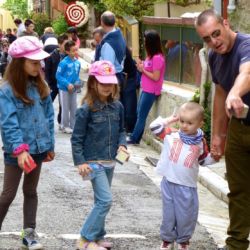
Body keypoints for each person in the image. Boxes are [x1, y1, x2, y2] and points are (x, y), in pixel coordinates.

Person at [195, 9, 250, 250]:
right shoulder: (213, 55)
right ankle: (236, 244)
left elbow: (247, 71)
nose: (214, 41)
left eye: (216, 33)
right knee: (238, 189)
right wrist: (217, 134)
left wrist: (237, 92)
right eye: (207, 38)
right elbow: (220, 93)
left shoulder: (246, 45)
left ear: (225, 23)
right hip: (239, 126)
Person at [0, 36, 55, 249]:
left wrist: (49, 145)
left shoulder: (41, 85)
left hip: (38, 150)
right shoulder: (6, 91)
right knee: (8, 194)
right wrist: (20, 150)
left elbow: (49, 116)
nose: (38, 65)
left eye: (39, 61)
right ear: (19, 63)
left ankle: (29, 234)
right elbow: (8, 123)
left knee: (31, 192)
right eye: (33, 62)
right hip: (18, 153)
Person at [71, 60, 128, 250]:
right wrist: (80, 162)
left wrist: (122, 145)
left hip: (111, 160)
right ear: (93, 83)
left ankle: (97, 235)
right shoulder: (85, 109)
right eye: (103, 82)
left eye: (110, 83)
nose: (107, 87)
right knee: (105, 200)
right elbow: (76, 138)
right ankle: (85, 239)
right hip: (93, 162)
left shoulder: (118, 106)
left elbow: (121, 130)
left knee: (100, 200)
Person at [150, 102, 216, 250]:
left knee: (186, 216)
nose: (184, 126)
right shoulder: (172, 134)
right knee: (169, 215)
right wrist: (171, 119)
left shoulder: (201, 142)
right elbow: (154, 127)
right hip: (169, 183)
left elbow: (203, 160)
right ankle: (167, 240)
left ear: (200, 124)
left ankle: (183, 241)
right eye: (182, 121)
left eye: (190, 123)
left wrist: (216, 156)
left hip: (187, 186)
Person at [127, 29, 165, 144]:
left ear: (151, 42)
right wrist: (141, 65)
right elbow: (148, 68)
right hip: (146, 89)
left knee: (141, 116)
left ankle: (134, 138)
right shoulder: (150, 56)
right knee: (139, 113)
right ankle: (136, 136)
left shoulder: (158, 58)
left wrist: (143, 70)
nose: (143, 41)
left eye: (145, 39)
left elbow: (156, 77)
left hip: (151, 91)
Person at [56, 40, 81, 134]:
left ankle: (73, 125)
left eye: (76, 50)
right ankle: (64, 125)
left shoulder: (77, 62)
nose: (75, 52)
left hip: (74, 88)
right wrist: (67, 84)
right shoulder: (63, 63)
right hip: (64, 89)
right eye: (73, 50)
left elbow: (77, 75)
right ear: (67, 52)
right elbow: (58, 76)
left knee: (74, 107)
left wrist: (78, 83)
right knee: (65, 108)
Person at [45, 34, 68, 127]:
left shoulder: (68, 56)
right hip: (53, 84)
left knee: (63, 104)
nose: (67, 47)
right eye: (65, 44)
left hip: (63, 84)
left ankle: (61, 121)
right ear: (59, 44)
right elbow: (47, 70)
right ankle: (45, 119)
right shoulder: (52, 56)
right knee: (48, 101)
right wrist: (48, 83)